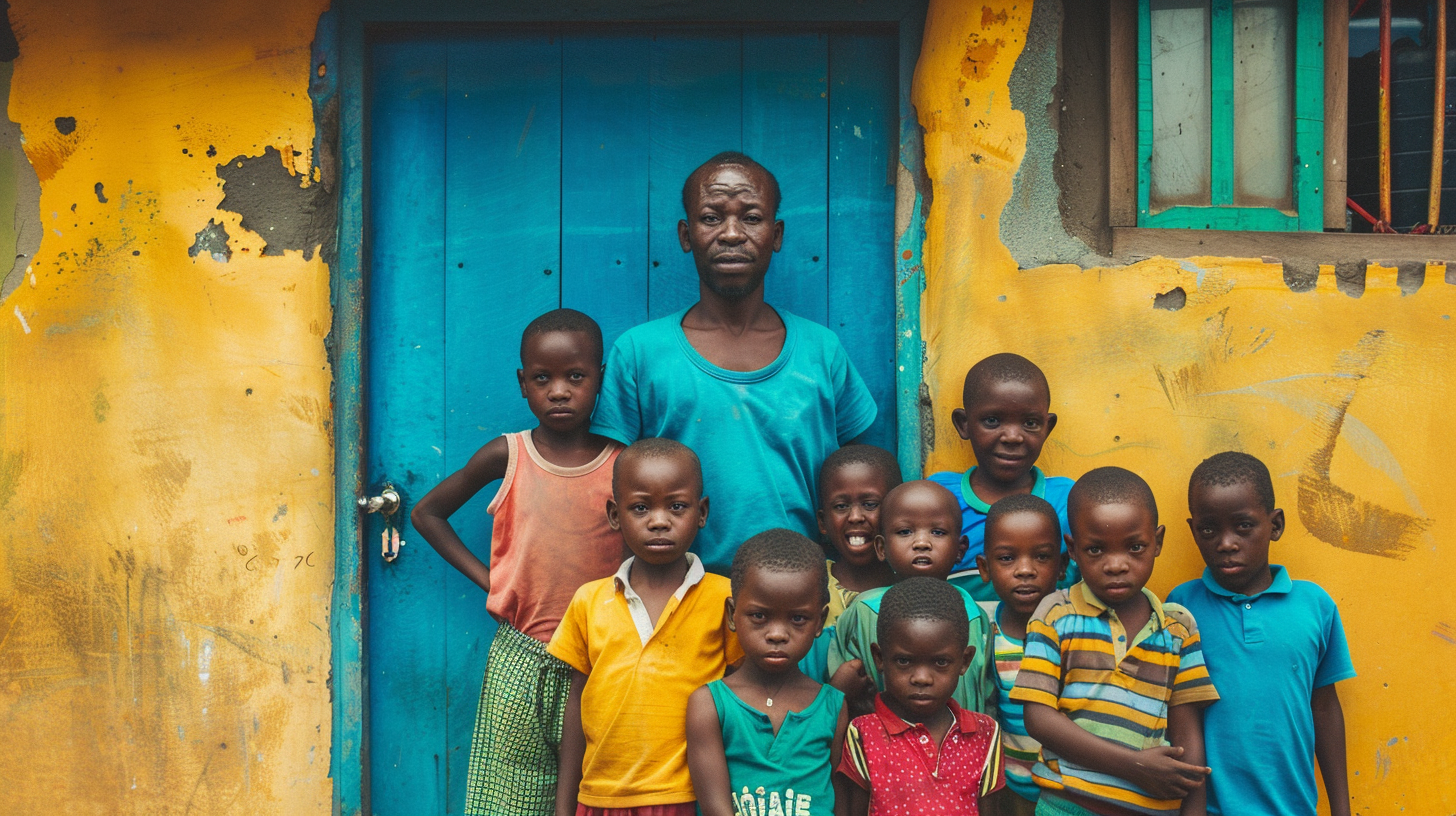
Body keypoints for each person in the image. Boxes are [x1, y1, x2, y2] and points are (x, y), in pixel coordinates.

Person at [591, 151, 878, 574]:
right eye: (711, 218)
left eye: (751, 218)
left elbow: (863, 476)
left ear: (776, 234)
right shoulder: (639, 352)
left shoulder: (821, 351)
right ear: (686, 235)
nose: (730, 234)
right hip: (679, 602)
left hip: (798, 604)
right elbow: (608, 489)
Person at [409, 309, 625, 816]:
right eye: (542, 378)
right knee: (507, 795)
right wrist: (492, 583)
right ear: (522, 383)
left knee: (592, 793)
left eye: (576, 377)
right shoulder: (508, 455)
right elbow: (426, 513)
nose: (559, 391)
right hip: (521, 654)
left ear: (600, 380)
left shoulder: (624, 464)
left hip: (601, 657)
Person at [549, 438, 742, 816]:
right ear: (614, 515)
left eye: (677, 506)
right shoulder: (589, 601)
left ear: (701, 512)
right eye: (640, 507)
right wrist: (564, 805)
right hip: (600, 798)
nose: (658, 520)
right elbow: (577, 708)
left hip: (688, 798)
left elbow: (742, 698)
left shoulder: (726, 600)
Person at [1012, 467, 1220, 816]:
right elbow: (1039, 717)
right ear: (1073, 549)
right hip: (1067, 806)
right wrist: (1133, 765)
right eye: (1096, 550)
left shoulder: (1178, 628)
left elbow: (1188, 734)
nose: (1116, 565)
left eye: (1135, 547)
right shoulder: (1056, 614)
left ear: (1158, 542)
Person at [1167, 452, 1355, 816]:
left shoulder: (1315, 605)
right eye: (1209, 529)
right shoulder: (1181, 607)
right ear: (1193, 531)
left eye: (1243, 526)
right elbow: (1175, 710)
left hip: (1294, 807)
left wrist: (1342, 809)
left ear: (1276, 525)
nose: (1226, 543)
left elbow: (1325, 707)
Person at [686, 529, 849, 816]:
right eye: (759, 616)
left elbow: (841, 803)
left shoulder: (833, 707)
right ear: (732, 615)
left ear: (819, 621)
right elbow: (715, 808)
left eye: (798, 618)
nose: (777, 634)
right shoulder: (710, 704)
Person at [836, 577, 1006, 816]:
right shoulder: (864, 734)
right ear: (879, 658)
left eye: (940, 662)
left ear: (965, 660)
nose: (922, 678)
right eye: (904, 661)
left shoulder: (984, 734)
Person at [827, 480, 994, 715]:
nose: (922, 543)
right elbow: (846, 688)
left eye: (937, 532)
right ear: (881, 548)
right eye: (905, 532)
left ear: (960, 549)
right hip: (882, 746)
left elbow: (985, 695)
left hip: (959, 746)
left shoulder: (973, 616)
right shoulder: (864, 611)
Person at [927, 353, 1075, 604]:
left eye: (1030, 423)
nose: (1012, 437)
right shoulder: (938, 499)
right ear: (964, 424)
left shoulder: (1068, 503)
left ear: (1047, 428)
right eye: (992, 421)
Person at [976, 495, 1069, 816]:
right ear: (984, 568)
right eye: (1007, 558)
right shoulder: (985, 630)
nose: (1025, 570)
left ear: (1062, 566)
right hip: (1009, 787)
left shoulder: (1076, 629)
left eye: (1041, 557)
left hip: (1069, 790)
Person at [797, 445, 902, 685]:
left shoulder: (911, 587)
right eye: (841, 506)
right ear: (823, 522)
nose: (855, 516)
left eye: (870, 504)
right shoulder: (808, 585)